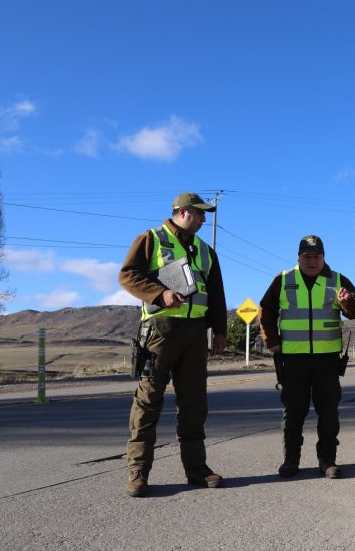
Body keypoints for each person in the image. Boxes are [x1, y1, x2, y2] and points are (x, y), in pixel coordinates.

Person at [118, 192, 228, 498]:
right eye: (200, 213)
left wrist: (219, 331)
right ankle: (138, 473)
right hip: (159, 332)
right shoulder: (151, 238)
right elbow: (127, 275)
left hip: (195, 334)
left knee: (194, 405)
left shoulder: (207, 251)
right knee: (148, 402)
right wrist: (159, 293)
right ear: (182, 212)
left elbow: (217, 294)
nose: (205, 218)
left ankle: (197, 470)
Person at [259, 235, 355, 479]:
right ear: (298, 257)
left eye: (316, 256)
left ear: (324, 257)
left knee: (328, 412)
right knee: (293, 412)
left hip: (327, 360)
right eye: (307, 257)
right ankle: (290, 459)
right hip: (293, 360)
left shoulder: (338, 280)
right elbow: (266, 310)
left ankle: (327, 460)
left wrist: (347, 303)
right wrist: (272, 341)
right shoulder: (284, 279)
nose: (312, 261)